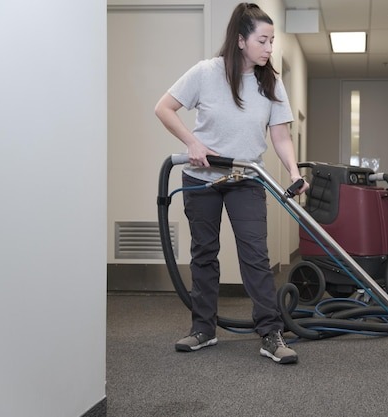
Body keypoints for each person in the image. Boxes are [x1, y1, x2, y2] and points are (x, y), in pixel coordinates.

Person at [154, 2, 309, 364]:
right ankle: (203, 329)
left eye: (272, 41)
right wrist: (192, 143)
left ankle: (270, 333)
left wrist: (294, 172)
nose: (270, 49)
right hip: (201, 177)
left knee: (255, 254)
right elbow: (163, 107)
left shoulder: (271, 82)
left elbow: (281, 135)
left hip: (246, 177)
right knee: (204, 253)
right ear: (241, 40)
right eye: (263, 40)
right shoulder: (206, 73)